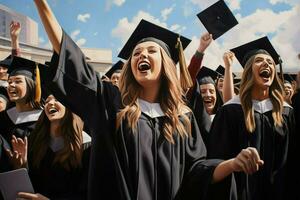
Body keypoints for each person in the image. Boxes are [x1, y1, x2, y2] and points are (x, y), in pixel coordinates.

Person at [33, 1, 264, 199]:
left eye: (151, 51)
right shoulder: (112, 105)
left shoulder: (183, 117)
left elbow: (196, 172)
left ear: (165, 63)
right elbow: (73, 61)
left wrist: (231, 164)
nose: (142, 54)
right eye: (136, 53)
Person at [208, 36, 296, 200]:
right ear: (248, 70)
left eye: (270, 62)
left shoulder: (286, 112)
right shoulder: (230, 111)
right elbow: (216, 159)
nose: (267, 64)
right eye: (259, 60)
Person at [7, 94, 91, 200]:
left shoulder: (87, 146)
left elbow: (86, 192)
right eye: (47, 101)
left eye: (57, 100)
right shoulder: (35, 140)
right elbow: (34, 182)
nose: (50, 103)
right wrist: (21, 167)